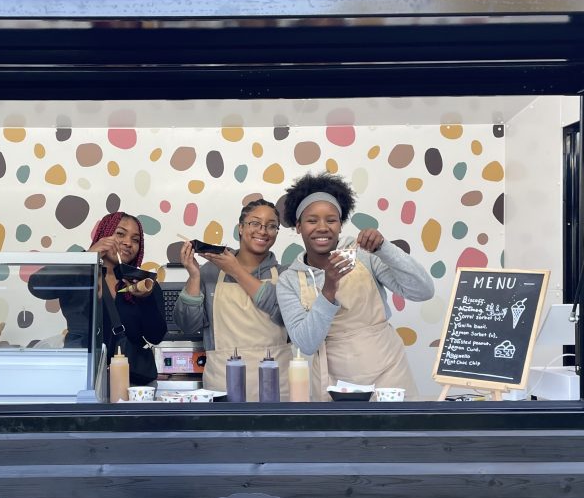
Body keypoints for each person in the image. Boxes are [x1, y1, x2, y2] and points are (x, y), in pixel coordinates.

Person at [276, 172, 434, 401]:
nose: (322, 227)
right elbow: (306, 343)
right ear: (298, 227)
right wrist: (329, 289)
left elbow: (423, 291)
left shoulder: (365, 255)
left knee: (395, 436)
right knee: (343, 438)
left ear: (340, 225)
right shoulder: (289, 280)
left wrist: (384, 249)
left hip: (388, 372)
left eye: (331, 220)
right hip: (333, 381)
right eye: (312, 220)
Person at [28, 211, 166, 386]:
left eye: (136, 239)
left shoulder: (142, 282)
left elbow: (156, 336)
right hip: (79, 374)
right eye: (120, 234)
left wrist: (146, 299)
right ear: (104, 235)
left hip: (131, 381)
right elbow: (37, 286)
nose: (128, 243)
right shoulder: (79, 272)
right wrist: (87, 258)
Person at [174, 198, 291, 401]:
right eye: (255, 223)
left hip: (276, 386)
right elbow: (188, 325)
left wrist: (235, 270)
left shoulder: (285, 274)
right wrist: (194, 275)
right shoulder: (209, 273)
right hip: (223, 385)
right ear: (240, 228)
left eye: (271, 226)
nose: (263, 231)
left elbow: (282, 312)